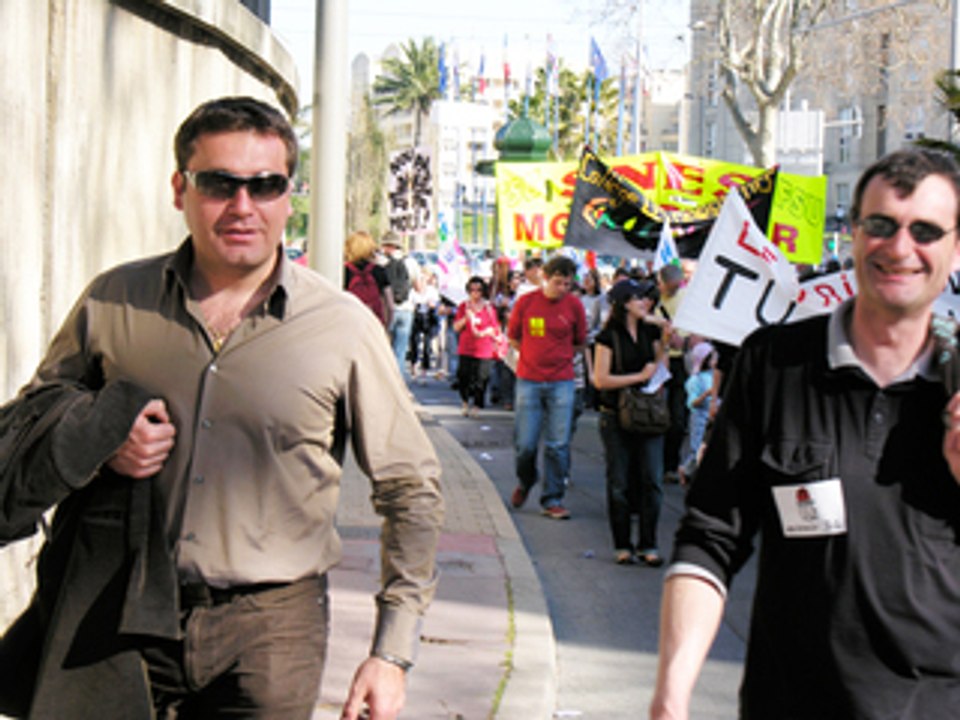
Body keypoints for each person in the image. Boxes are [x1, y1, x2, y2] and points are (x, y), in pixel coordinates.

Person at [2, 96, 444, 720]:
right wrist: (103, 440)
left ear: (291, 194)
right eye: (219, 184)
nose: (243, 206)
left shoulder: (343, 326)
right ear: (180, 188)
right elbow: (36, 418)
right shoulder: (114, 300)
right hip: (117, 611)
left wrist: (391, 654)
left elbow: (411, 488)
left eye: (265, 186)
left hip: (272, 633)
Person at [651, 147, 960, 720]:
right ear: (853, 235)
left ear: (956, 246)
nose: (899, 247)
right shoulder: (775, 362)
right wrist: (671, 694)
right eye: (881, 225)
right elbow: (712, 533)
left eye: (926, 230)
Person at [592, 279, 667, 566]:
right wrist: (638, 377)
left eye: (647, 299)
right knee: (619, 481)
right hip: (616, 414)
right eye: (638, 299)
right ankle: (622, 544)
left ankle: (649, 543)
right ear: (624, 303)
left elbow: (661, 369)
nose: (645, 303)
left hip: (649, 415)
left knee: (652, 480)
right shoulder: (608, 337)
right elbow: (601, 379)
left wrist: (665, 338)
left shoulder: (650, 332)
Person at [507, 256, 587, 520]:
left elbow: (580, 342)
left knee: (558, 444)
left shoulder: (574, 306)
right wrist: (532, 356)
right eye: (558, 282)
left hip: (561, 381)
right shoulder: (526, 302)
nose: (562, 288)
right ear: (545, 277)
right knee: (525, 444)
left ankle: (552, 497)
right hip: (529, 379)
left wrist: (559, 357)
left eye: (567, 284)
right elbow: (513, 337)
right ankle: (527, 479)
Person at [657, 263, 688, 483]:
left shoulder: (689, 299)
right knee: (655, 415)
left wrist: (683, 341)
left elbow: (696, 334)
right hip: (659, 359)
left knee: (677, 418)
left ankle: (670, 462)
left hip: (680, 362)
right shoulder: (654, 300)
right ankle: (655, 461)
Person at [452, 276, 500, 417]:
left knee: (481, 378)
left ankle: (477, 406)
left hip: (484, 348)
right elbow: (456, 327)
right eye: (472, 290)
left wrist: (484, 332)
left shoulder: (489, 308)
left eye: (479, 290)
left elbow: (495, 328)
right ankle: (465, 401)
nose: (475, 293)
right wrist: (466, 318)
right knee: (463, 376)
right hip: (466, 347)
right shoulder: (464, 306)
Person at [677, 337, 715, 487]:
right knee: (696, 448)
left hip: (709, 416)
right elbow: (692, 402)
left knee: (704, 448)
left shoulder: (713, 376)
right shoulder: (696, 379)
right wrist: (707, 394)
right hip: (699, 416)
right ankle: (686, 470)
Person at [380, 232, 418, 378]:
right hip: (406, 309)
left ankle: (385, 382)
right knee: (400, 351)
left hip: (386, 309)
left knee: (383, 350)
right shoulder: (410, 262)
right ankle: (399, 384)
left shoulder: (380, 262)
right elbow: (419, 287)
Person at [344, 230, 392, 328]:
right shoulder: (379, 270)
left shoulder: (343, 271)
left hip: (350, 323)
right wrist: (385, 325)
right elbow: (390, 304)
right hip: (373, 324)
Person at [408, 265, 440, 384]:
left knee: (427, 345)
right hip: (416, 318)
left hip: (428, 318)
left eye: (423, 279)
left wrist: (432, 304)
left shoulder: (432, 291)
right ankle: (414, 367)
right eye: (419, 280)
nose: (420, 283)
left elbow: (435, 304)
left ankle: (424, 371)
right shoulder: (412, 292)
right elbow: (410, 304)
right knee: (414, 343)